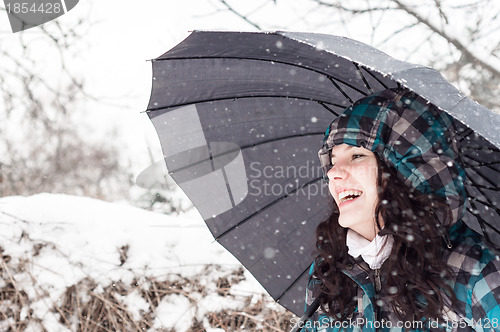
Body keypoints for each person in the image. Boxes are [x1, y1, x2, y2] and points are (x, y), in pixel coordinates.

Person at [303, 88, 500, 331]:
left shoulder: (474, 271)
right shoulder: (329, 274)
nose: (333, 172)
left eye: (356, 156)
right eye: (332, 161)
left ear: (409, 173)